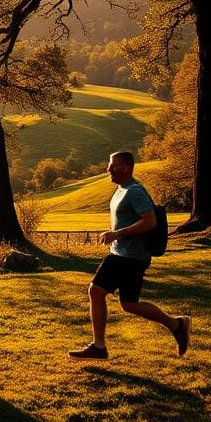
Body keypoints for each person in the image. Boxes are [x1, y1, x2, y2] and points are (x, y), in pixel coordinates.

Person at [68, 151, 191, 361]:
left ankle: (99, 347)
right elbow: (127, 219)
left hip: (129, 256)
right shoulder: (120, 190)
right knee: (130, 304)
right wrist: (114, 232)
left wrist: (117, 233)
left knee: (96, 291)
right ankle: (177, 324)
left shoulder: (134, 191)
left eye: (112, 165)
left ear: (125, 168)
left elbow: (150, 221)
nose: (108, 169)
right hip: (127, 254)